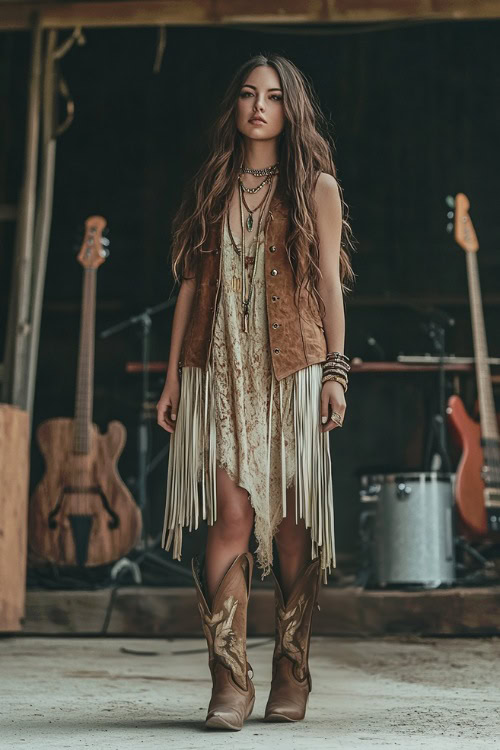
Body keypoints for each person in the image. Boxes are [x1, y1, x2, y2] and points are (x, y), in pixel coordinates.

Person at [156, 53, 355, 731]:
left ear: (290, 108)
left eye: (272, 95)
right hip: (217, 373)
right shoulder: (212, 184)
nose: (259, 105)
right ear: (235, 107)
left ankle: (291, 674)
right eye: (247, 93)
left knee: (295, 524)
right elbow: (188, 284)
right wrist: (173, 377)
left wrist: (336, 371)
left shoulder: (315, 187)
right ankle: (230, 682)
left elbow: (329, 283)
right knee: (231, 519)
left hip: (293, 372)